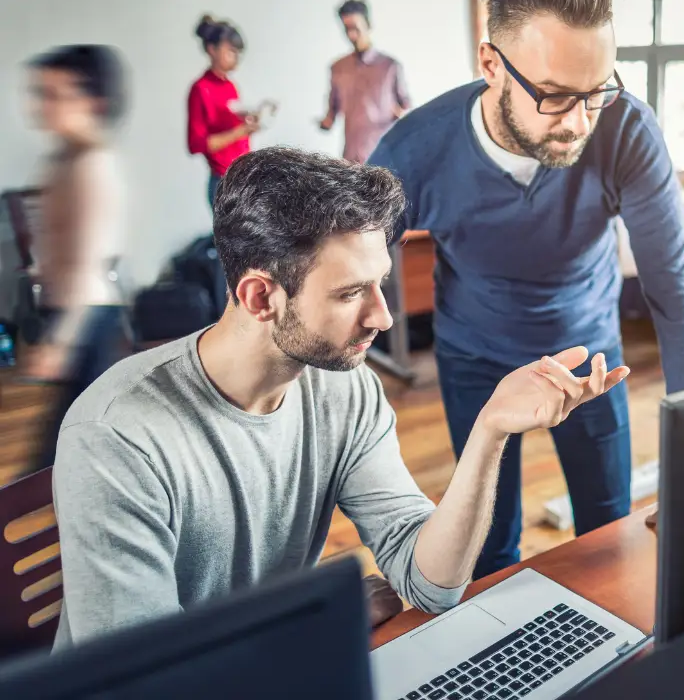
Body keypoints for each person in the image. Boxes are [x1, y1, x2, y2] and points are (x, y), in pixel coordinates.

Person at [51, 146, 629, 649]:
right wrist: (312, 620)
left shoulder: (343, 388)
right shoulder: (117, 436)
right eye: (352, 292)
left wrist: (491, 430)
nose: (382, 315)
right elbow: (146, 680)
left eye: (380, 282)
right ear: (260, 297)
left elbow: (430, 580)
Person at [368, 0, 684, 579]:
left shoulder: (625, 130)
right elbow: (347, 280)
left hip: (590, 357)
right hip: (475, 357)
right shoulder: (413, 150)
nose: (580, 122)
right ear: (491, 65)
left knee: (608, 533)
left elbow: (672, 289)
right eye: (555, 96)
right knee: (491, 547)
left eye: (597, 91)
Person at [23, 45, 128, 471]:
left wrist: (61, 342)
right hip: (71, 314)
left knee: (63, 453)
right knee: (70, 448)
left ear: (94, 102)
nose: (42, 105)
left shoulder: (91, 165)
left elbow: (89, 266)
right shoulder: (64, 158)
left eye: (56, 94)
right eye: (40, 93)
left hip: (89, 319)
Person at [319, 0, 411, 163]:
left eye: (355, 28)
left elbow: (406, 109)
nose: (351, 35)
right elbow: (332, 112)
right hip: (351, 158)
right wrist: (325, 122)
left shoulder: (390, 66)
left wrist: (402, 115)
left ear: (368, 24)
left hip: (385, 155)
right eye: (347, 29)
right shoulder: (337, 68)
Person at [187, 15, 262, 208]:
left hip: (244, 177)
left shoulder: (230, 86)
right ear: (212, 50)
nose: (235, 57)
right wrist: (241, 131)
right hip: (223, 181)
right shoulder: (200, 89)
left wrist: (246, 122)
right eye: (230, 51)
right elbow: (197, 144)